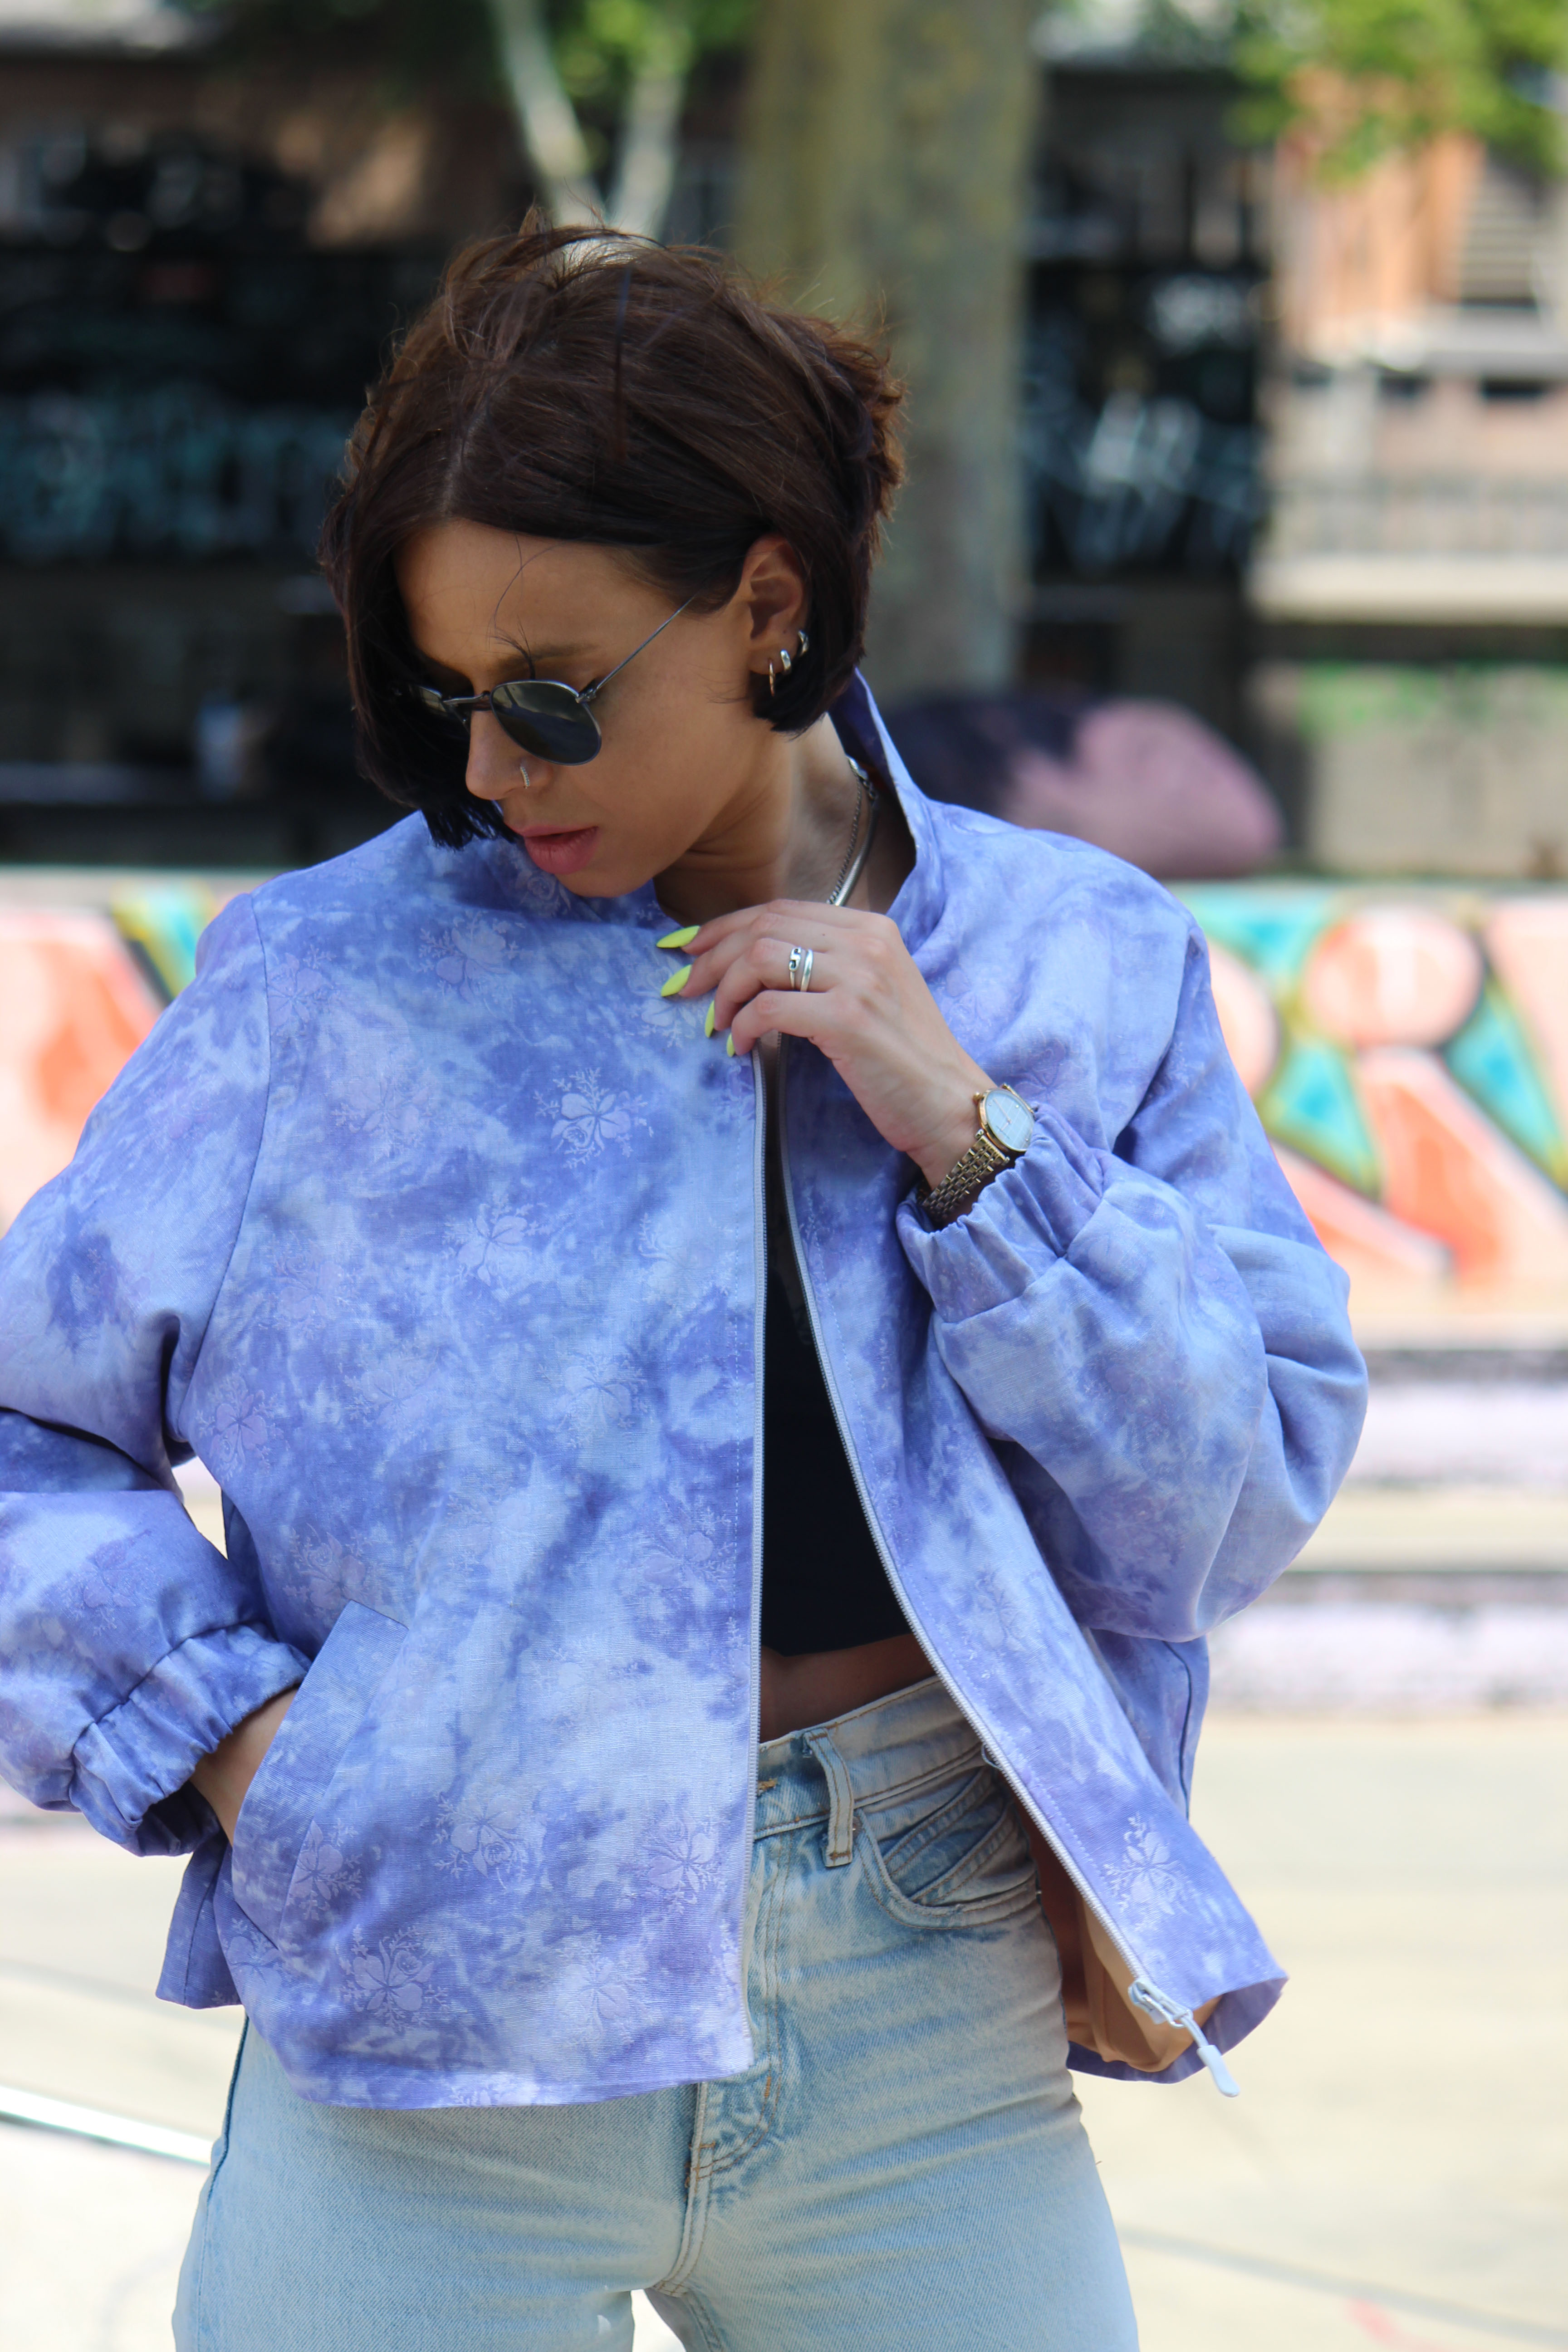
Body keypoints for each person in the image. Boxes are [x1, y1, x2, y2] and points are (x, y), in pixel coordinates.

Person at [0, 222, 1366, 2352]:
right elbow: (24, 1428)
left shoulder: (1076, 963)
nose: (490, 768)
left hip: (922, 1994)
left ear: (767, 601)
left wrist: (970, 1134)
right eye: (445, 697)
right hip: (437, 1993)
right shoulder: (328, 990)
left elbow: (1231, 1500)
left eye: (551, 696)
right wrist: (241, 1738)